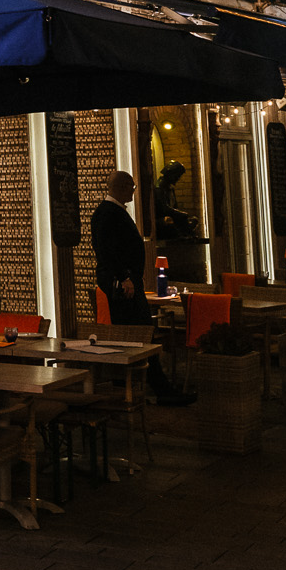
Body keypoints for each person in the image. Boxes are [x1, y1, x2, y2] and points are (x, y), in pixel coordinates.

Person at [91, 171, 178, 400]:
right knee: (137, 333)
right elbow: (106, 250)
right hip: (124, 284)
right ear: (121, 187)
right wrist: (124, 277)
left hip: (128, 281)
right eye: (132, 186)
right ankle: (155, 390)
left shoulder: (113, 212)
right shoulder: (108, 213)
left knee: (136, 334)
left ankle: (142, 387)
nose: (133, 190)